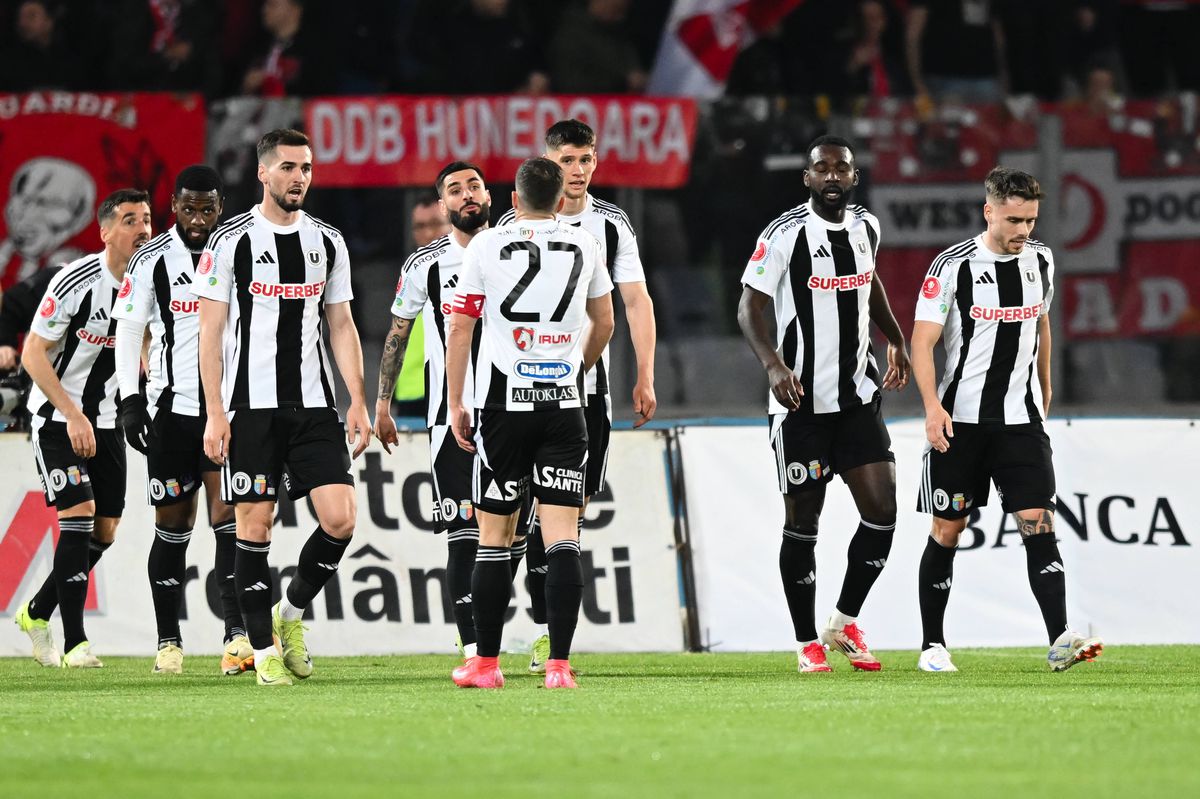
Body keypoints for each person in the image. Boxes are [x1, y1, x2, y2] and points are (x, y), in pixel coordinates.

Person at [193, 129, 371, 687]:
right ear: (263, 173)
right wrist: (215, 411)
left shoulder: (328, 242)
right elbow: (209, 331)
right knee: (255, 523)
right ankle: (262, 650)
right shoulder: (230, 241)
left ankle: (287, 615)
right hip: (250, 408)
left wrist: (357, 399)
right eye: (289, 167)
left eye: (306, 168)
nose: (299, 178)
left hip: (314, 405)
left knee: (341, 519)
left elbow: (341, 324)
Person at [910, 166, 1104, 673]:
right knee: (948, 529)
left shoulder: (1041, 260)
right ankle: (932, 645)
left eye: (1031, 220)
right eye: (1014, 220)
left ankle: (1060, 639)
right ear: (989, 212)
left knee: (1040, 525)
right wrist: (932, 407)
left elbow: (1041, 323)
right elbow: (922, 342)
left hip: (1021, 423)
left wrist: (1046, 384)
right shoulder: (951, 266)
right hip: (961, 425)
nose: (1024, 230)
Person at [737, 135, 910, 674]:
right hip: (801, 407)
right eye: (822, 168)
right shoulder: (784, 235)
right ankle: (805, 640)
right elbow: (748, 307)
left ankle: (843, 621)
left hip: (857, 399)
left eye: (842, 168)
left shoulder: (866, 227)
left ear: (854, 177)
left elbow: (870, 284)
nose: (832, 176)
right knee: (803, 522)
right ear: (807, 178)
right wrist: (773, 365)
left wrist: (896, 338)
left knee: (882, 514)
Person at [446, 157, 614, 689]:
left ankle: (486, 665)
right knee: (563, 538)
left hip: (503, 408)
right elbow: (605, 322)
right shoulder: (585, 243)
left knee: (494, 538)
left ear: (513, 201)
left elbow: (461, 328)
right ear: (561, 201)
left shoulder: (485, 246)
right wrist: (573, 369)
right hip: (564, 407)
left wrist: (456, 402)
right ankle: (559, 666)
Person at [497, 118, 657, 672]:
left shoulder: (610, 224)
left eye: (586, 159)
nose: (579, 169)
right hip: (517, 394)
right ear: (548, 163)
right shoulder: (512, 224)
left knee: (569, 513)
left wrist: (644, 374)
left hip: (585, 394)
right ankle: (494, 633)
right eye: (567, 160)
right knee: (515, 515)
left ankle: (547, 633)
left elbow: (635, 301)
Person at [112, 165, 251, 675]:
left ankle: (237, 636)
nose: (197, 219)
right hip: (171, 414)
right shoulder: (150, 259)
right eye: (189, 208)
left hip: (228, 413)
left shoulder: (240, 250)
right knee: (173, 526)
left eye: (207, 209)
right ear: (173, 206)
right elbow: (129, 331)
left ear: (220, 208)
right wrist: (130, 400)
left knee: (230, 521)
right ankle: (168, 641)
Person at [11, 189, 151, 668]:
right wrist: (72, 413)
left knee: (105, 532)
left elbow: (147, 341)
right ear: (105, 232)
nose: (142, 229)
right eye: (130, 220)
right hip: (57, 418)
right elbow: (33, 353)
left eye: (147, 219)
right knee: (81, 514)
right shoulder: (76, 280)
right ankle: (75, 642)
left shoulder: (151, 282)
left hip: (108, 422)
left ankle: (36, 612)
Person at [374, 162, 499, 663]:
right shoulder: (425, 264)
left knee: (519, 533)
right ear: (443, 205)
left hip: (513, 410)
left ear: (488, 196)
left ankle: (539, 635)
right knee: (463, 534)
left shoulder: (515, 249)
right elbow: (398, 333)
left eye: (473, 186)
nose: (466, 194)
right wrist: (382, 403)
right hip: (450, 418)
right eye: (454, 189)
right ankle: (474, 647)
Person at [391, 193, 450, 419]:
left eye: (435, 224)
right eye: (420, 226)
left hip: (450, 386)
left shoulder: (468, 270)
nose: (428, 233)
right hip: (411, 391)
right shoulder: (411, 273)